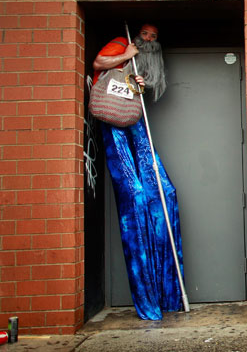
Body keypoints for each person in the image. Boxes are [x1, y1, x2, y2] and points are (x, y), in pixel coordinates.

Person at [93, 24, 185, 321]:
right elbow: (98, 63)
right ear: (137, 36)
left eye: (154, 37)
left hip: (132, 118)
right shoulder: (121, 43)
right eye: (146, 34)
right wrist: (125, 54)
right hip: (112, 119)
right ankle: (147, 302)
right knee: (135, 195)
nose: (149, 40)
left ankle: (169, 295)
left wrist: (139, 80)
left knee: (164, 192)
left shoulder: (139, 66)